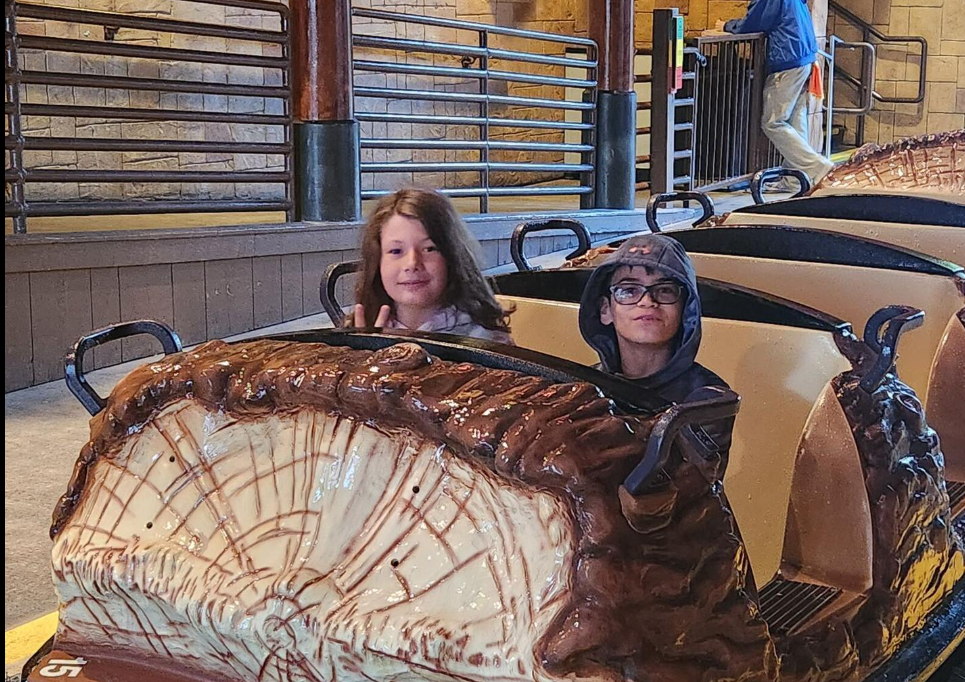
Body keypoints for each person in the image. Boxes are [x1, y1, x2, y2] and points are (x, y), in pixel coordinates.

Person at [578, 234, 734, 455]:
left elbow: (681, 480)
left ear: (685, 310)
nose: (647, 301)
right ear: (605, 310)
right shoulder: (583, 388)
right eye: (629, 290)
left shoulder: (709, 398)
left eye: (665, 291)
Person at [349, 188, 513, 344]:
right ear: (377, 262)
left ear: (452, 256)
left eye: (429, 249)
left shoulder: (486, 340)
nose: (412, 263)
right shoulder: (358, 333)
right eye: (396, 251)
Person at [722, 0, 834, 184]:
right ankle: (796, 180)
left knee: (773, 122)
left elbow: (753, 23)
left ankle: (819, 168)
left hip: (787, 59)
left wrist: (727, 25)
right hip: (804, 57)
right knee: (796, 119)